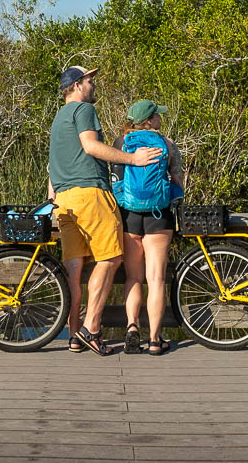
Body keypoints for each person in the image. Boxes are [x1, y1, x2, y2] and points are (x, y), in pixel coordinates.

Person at [48, 66, 163, 356]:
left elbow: (54, 164)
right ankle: (91, 328)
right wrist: (133, 159)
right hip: (90, 195)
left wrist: (53, 196)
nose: (93, 84)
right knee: (110, 259)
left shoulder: (58, 118)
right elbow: (90, 146)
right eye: (89, 80)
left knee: (74, 271)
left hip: (64, 200)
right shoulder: (82, 110)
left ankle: (75, 337)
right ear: (76, 86)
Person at [112, 100, 183, 356]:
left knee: (133, 277)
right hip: (158, 216)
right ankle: (154, 339)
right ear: (150, 120)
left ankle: (132, 327)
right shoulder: (168, 144)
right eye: (158, 116)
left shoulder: (121, 144)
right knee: (156, 279)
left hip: (129, 216)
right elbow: (177, 180)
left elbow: (115, 181)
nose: (160, 120)